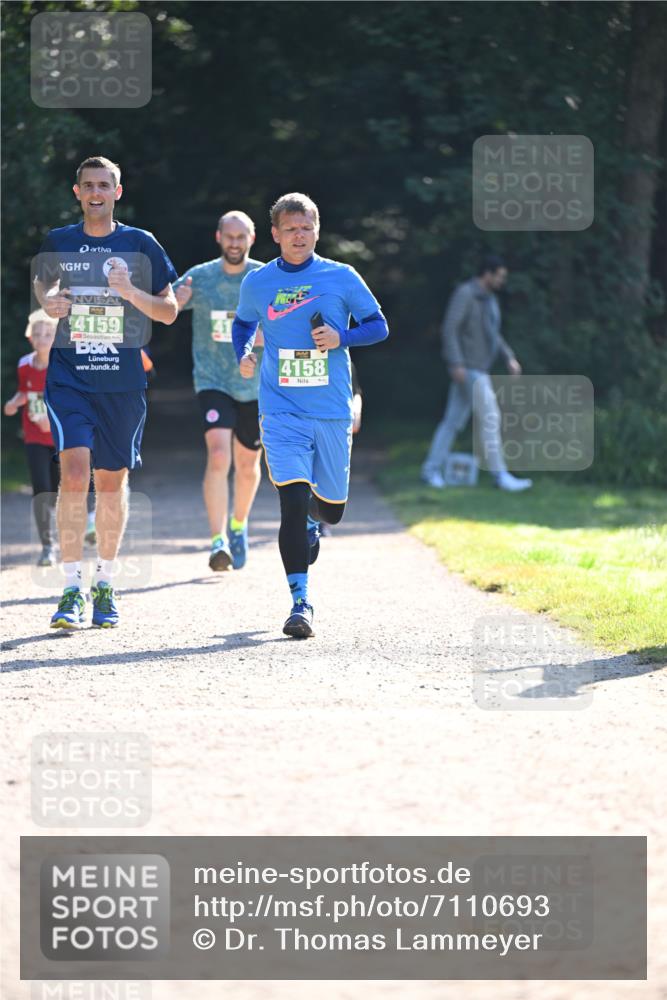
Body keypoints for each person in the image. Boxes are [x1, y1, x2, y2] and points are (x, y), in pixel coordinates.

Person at [232, 192, 389, 638]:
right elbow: (244, 322)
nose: (299, 236)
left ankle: (312, 525)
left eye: (306, 228)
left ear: (316, 231)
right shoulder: (258, 282)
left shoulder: (341, 276)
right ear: (276, 234)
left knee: (331, 511)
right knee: (292, 498)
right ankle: (301, 602)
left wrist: (341, 338)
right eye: (290, 229)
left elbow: (378, 326)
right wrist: (242, 351)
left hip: (331, 410)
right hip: (281, 409)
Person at [33, 155, 178, 629]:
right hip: (70, 376)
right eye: (88, 185)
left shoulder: (141, 244)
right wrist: (49, 302)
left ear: (119, 191)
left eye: (105, 185)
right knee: (74, 472)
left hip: (122, 380)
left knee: (111, 482)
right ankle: (72, 587)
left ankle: (106, 583)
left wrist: (131, 292)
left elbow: (170, 311)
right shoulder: (59, 241)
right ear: (77, 192)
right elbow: (43, 286)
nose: (96, 192)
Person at [174, 211, 263, 572]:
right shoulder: (201, 276)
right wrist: (176, 300)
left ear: (252, 239)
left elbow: (285, 322)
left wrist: (258, 337)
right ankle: (217, 541)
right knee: (217, 455)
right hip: (212, 380)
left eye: (241, 237)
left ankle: (238, 526)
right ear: (218, 238)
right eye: (229, 236)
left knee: (247, 464)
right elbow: (167, 307)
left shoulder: (263, 277)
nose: (235, 243)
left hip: (255, 384)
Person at [421, 255, 532, 492]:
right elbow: (450, 329)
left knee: (451, 422)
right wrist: (456, 363)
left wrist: (509, 357)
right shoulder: (465, 294)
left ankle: (430, 471)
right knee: (491, 418)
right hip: (468, 369)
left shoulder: (490, 299)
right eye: (499, 276)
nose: (502, 281)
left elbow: (493, 333)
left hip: (479, 368)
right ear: (487, 274)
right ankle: (500, 476)